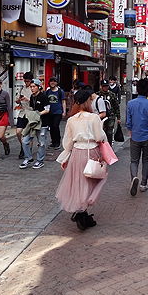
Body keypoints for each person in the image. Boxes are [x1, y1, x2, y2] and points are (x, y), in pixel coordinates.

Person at [55, 89, 108, 231]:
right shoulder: (94, 118)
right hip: (92, 152)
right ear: (87, 101)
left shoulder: (72, 120)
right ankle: (82, 213)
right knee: (93, 181)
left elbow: (67, 142)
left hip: (77, 153)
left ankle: (81, 212)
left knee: (79, 183)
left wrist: (66, 156)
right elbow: (99, 137)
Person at [126, 79, 148, 195]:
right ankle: (143, 184)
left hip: (135, 135)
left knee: (134, 161)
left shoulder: (130, 104)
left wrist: (130, 130)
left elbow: (128, 122)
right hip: (147, 136)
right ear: (147, 90)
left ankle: (134, 178)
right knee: (146, 160)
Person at [20, 79, 50, 170]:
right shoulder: (32, 97)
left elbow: (48, 109)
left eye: (34, 87)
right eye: (31, 87)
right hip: (33, 123)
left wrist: (38, 114)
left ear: (39, 87)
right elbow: (32, 108)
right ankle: (28, 158)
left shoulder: (44, 96)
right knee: (25, 141)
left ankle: (40, 161)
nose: (32, 88)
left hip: (43, 123)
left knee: (41, 143)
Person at [14, 72, 34, 159]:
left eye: (28, 81)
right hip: (22, 113)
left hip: (31, 113)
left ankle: (28, 150)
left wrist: (28, 99)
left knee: (29, 134)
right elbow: (16, 100)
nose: (26, 83)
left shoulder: (34, 88)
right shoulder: (22, 88)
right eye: (25, 81)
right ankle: (23, 146)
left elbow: (36, 102)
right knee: (18, 132)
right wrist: (18, 100)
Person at [95, 80, 120, 145]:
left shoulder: (112, 95)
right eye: (104, 86)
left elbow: (116, 106)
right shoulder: (97, 95)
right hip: (101, 116)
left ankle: (109, 147)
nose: (105, 88)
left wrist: (118, 117)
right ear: (101, 87)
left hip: (110, 116)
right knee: (101, 132)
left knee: (109, 132)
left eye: (106, 86)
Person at [46, 77, 67, 148]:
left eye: (54, 81)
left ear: (57, 83)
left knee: (55, 126)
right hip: (49, 112)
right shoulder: (48, 91)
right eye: (51, 81)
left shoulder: (60, 91)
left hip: (58, 112)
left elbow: (63, 102)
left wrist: (64, 111)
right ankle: (53, 141)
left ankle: (57, 142)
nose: (52, 83)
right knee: (51, 127)